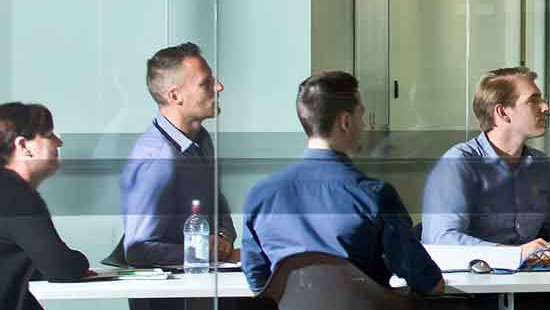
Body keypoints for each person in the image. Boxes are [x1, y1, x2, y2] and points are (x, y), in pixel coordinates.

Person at [239, 71, 443, 296]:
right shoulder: (375, 196)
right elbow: (430, 284)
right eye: (361, 115)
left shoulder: (261, 196)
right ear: (345, 122)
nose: (364, 125)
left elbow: (259, 284)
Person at [421, 67, 550, 267]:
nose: (545, 107)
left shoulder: (541, 165)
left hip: (534, 285)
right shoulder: (459, 163)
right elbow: (441, 241)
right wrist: (514, 255)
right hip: (474, 290)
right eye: (533, 100)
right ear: (502, 112)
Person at [119, 42, 240, 268]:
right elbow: (137, 250)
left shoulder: (200, 140)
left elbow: (216, 202)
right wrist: (205, 249)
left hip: (200, 284)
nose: (219, 87)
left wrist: (223, 238)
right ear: (175, 96)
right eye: (206, 83)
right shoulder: (157, 157)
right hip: (169, 295)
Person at [0, 103, 93, 310]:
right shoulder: (15, 196)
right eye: (49, 134)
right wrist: (79, 261)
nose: (59, 142)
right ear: (23, 146)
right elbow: (62, 269)